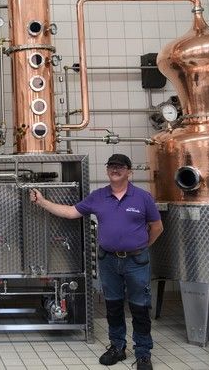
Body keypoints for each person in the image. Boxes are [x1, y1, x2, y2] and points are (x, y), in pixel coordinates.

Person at [31, 153, 163, 370]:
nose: (115, 169)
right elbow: (71, 212)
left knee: (140, 307)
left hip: (136, 261)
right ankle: (117, 347)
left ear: (129, 172)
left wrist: (141, 246)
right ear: (107, 170)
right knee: (113, 306)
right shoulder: (98, 196)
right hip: (108, 260)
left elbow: (157, 227)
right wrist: (42, 202)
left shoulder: (143, 197)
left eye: (120, 166)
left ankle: (143, 353)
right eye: (111, 166)